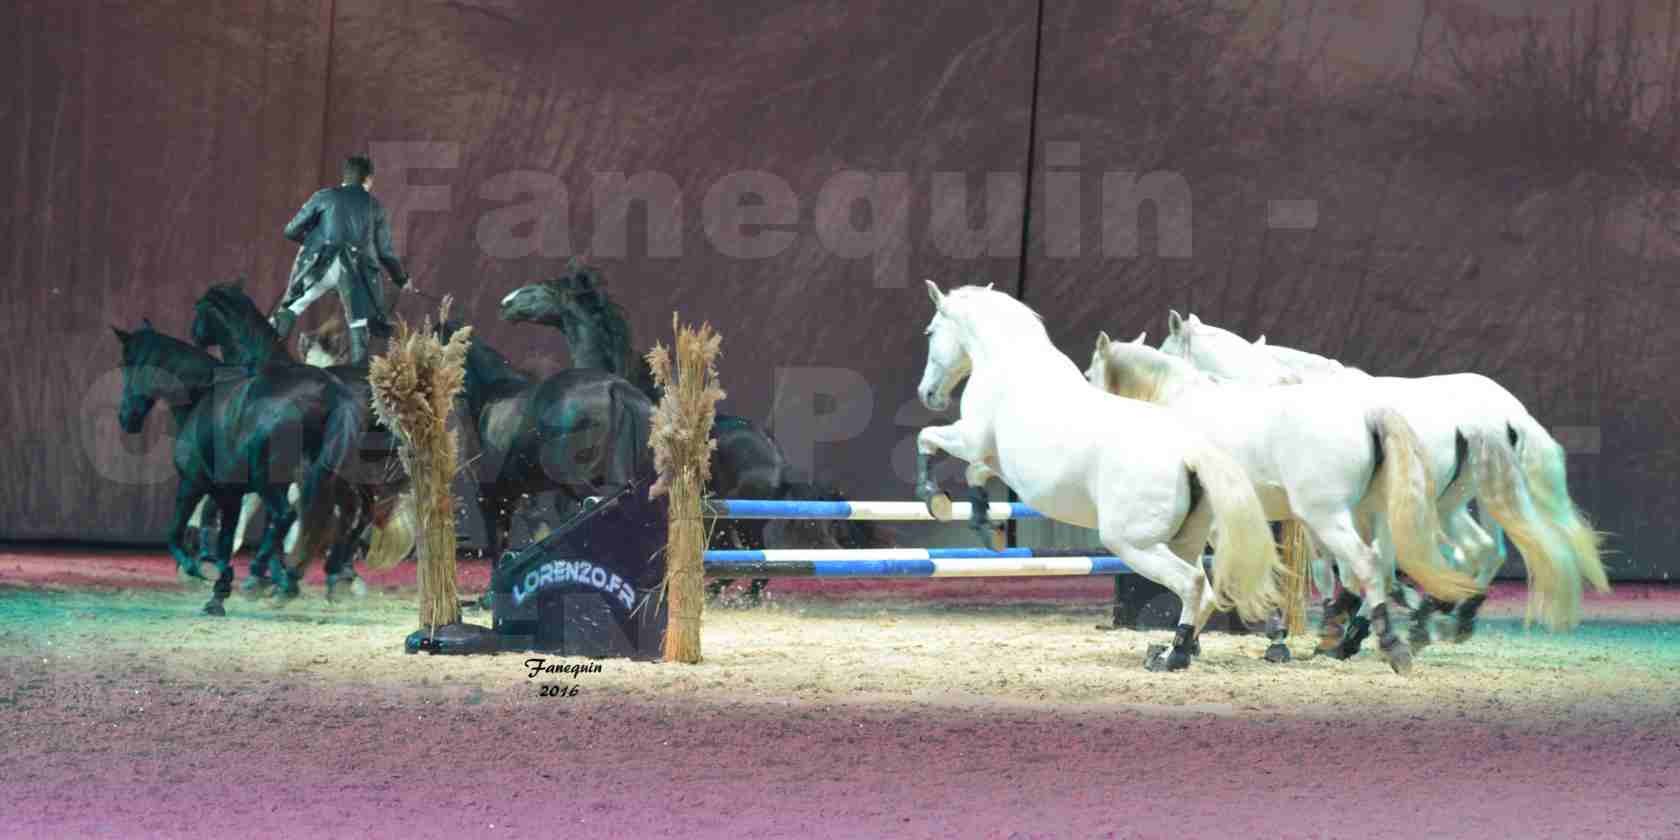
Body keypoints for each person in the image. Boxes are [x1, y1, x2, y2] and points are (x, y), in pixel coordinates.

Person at [271, 155, 415, 365]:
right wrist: (402, 279)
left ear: (345, 177)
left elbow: (291, 230)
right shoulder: (375, 207)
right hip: (355, 273)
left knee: (294, 306)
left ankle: (262, 364)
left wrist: (315, 241)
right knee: (358, 323)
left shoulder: (324, 196)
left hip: (321, 265)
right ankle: (357, 380)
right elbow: (385, 252)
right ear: (368, 179)